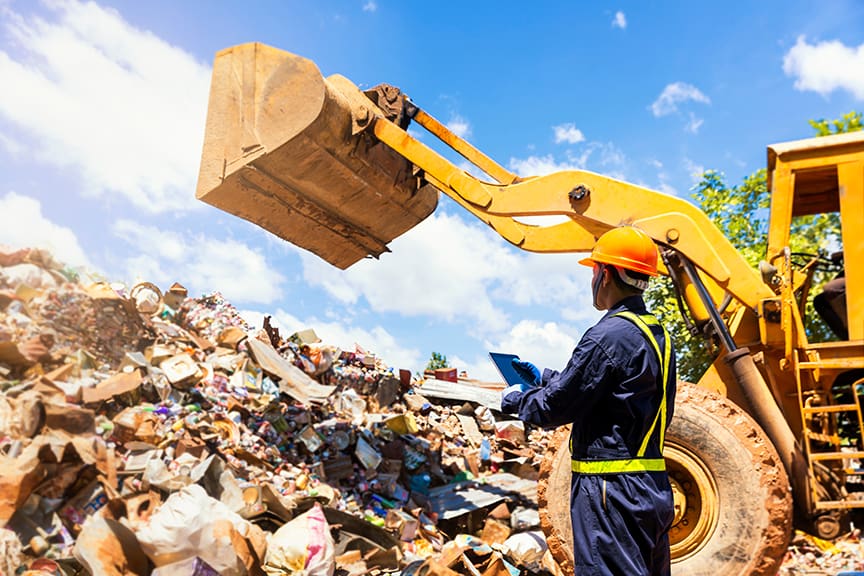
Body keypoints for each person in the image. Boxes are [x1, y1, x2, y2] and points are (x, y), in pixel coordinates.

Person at [501, 226, 676, 575]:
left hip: (610, 493)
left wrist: (515, 400)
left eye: (594, 271)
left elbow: (554, 408)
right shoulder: (654, 334)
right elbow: (607, 390)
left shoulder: (607, 335)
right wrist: (545, 379)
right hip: (650, 487)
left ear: (606, 274)